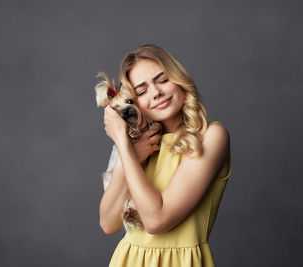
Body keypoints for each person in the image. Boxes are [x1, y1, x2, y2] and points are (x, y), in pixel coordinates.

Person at [99, 44, 231, 267]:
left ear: (179, 80)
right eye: (141, 91)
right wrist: (129, 151)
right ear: (135, 101)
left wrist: (122, 140)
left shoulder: (211, 137)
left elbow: (156, 220)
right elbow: (108, 223)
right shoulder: (140, 147)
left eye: (162, 80)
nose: (156, 92)